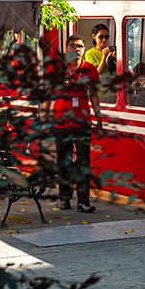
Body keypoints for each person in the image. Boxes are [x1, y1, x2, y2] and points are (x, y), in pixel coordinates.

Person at [49, 34, 104, 213]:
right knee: (64, 161)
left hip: (82, 123)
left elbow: (94, 95)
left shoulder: (90, 69)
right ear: (67, 49)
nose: (76, 49)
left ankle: (83, 202)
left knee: (83, 162)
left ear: (84, 49)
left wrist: (99, 120)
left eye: (80, 46)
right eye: (73, 46)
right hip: (61, 122)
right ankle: (64, 199)